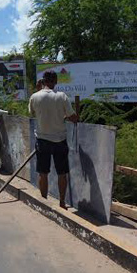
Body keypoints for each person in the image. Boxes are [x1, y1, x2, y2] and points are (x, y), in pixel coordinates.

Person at [28, 71, 78, 209]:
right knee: (62, 173)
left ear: (43, 81)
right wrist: (67, 117)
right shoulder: (62, 96)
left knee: (43, 173)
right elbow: (73, 117)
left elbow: (32, 113)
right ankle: (62, 202)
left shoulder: (34, 97)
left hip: (42, 140)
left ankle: (44, 202)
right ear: (55, 81)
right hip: (60, 140)